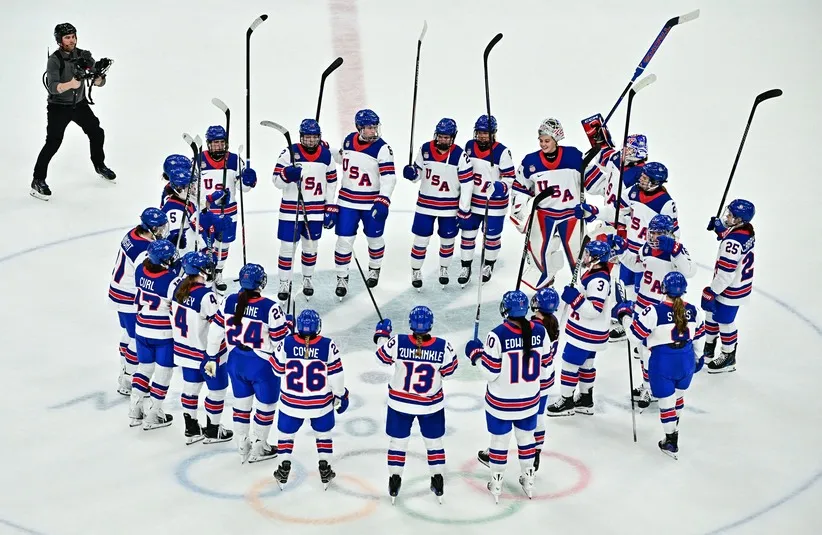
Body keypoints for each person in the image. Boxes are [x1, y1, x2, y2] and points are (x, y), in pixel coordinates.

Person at [465, 290, 552, 502]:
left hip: (501, 403)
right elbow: (546, 370)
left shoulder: (497, 334)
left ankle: (496, 483)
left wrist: (475, 355)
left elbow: (489, 372)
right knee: (526, 439)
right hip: (530, 402)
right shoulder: (540, 331)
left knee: (499, 442)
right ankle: (528, 480)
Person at [612, 271, 705, 459]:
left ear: (663, 288)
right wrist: (699, 357)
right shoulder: (694, 310)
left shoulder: (653, 311)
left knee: (666, 403)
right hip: (686, 359)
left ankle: (671, 439)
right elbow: (700, 338)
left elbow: (634, 335)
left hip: (663, 361)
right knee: (679, 397)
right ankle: (674, 427)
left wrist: (624, 315)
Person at [372, 306, 459, 503]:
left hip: (400, 404)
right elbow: (449, 371)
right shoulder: (444, 346)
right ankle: (438, 480)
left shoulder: (398, 342)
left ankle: (394, 480)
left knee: (397, 443)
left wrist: (382, 335)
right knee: (434, 444)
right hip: (430, 406)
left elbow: (380, 358)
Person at [206, 263, 288, 463]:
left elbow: (215, 333)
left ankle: (242, 444)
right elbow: (280, 343)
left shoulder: (228, 301)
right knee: (266, 406)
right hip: (262, 364)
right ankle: (260, 445)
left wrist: (210, 357)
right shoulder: (271, 307)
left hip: (235, 360)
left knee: (241, 406)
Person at [617, 214, 695, 407]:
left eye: (658, 233)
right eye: (651, 232)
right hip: (643, 305)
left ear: (668, 234)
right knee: (643, 350)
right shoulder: (646, 248)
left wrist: (675, 251)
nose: (653, 237)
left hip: (662, 309)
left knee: (653, 352)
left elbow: (690, 271)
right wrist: (621, 252)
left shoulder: (674, 252)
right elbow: (636, 264)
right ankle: (647, 385)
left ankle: (651, 388)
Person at [32, 23, 115, 200]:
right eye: (67, 37)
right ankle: (38, 180)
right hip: (59, 107)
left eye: (73, 36)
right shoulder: (54, 60)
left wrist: (99, 77)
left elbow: (97, 82)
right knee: (53, 143)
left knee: (96, 132)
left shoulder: (83, 55)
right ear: (59, 41)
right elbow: (53, 87)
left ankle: (99, 165)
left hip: (80, 104)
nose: (72, 40)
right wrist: (71, 83)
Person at [271, 309, 349, 490]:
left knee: (285, 436)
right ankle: (325, 468)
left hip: (291, 403)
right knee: (324, 436)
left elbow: (276, 370)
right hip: (320, 404)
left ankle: (283, 467)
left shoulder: (286, 343)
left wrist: (288, 339)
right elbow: (337, 376)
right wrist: (340, 394)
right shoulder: (328, 345)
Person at [509, 118, 583, 290]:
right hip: (544, 213)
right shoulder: (530, 161)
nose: (543, 144)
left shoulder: (573, 156)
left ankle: (584, 289)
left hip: (571, 213)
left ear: (556, 139)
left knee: (578, 256)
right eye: (541, 140)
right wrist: (520, 209)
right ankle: (546, 286)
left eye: (547, 140)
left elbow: (594, 181)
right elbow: (520, 187)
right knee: (538, 254)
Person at [332, 109, 396, 298]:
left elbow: (389, 178)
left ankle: (374, 268)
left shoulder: (383, 148)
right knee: (344, 241)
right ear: (359, 128)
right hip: (347, 202)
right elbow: (343, 158)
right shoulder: (348, 140)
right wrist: (325, 149)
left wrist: (383, 200)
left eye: (375, 127)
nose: (373, 131)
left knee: (374, 239)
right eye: (369, 128)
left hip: (371, 203)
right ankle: (342, 277)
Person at [403, 119, 474, 289]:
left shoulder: (460, 155)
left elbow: (467, 184)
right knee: (420, 239)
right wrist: (412, 174)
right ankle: (416, 270)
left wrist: (464, 209)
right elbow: (417, 175)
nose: (443, 140)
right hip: (425, 205)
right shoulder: (425, 149)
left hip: (449, 208)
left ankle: (444, 268)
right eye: (440, 137)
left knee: (447, 240)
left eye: (446, 137)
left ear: (453, 138)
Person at [272, 119, 338, 300]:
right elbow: (276, 181)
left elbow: (332, 181)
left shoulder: (325, 155)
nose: (310, 141)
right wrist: (286, 175)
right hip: (290, 211)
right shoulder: (289, 153)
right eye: (307, 137)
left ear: (319, 137)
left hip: (315, 211)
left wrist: (330, 205)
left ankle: (307, 279)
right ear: (301, 137)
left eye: (314, 137)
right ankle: (284, 282)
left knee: (310, 247)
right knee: (287, 248)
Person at [171, 252, 233, 445]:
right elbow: (219, 323)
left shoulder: (178, 288)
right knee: (217, 391)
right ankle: (213, 430)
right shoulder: (206, 296)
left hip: (184, 350)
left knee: (190, 388)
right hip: (207, 355)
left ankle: (191, 428)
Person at [546, 239, 613, 416]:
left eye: (588, 254)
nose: (585, 256)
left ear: (597, 259)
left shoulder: (599, 280)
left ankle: (566, 401)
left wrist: (575, 298)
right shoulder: (594, 273)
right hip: (590, 332)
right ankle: (585, 399)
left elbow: (594, 310)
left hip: (586, 332)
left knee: (569, 363)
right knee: (586, 365)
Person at [109, 207, 168, 396]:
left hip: (119, 291)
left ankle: (124, 375)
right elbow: (149, 276)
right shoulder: (143, 250)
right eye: (159, 227)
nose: (162, 230)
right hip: (128, 296)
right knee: (135, 338)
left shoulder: (133, 233)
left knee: (128, 334)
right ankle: (128, 379)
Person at [198, 125, 258, 291]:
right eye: (215, 143)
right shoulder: (198, 160)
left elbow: (243, 188)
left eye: (221, 142)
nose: (219, 146)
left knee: (223, 245)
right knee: (206, 246)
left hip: (229, 213)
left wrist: (248, 180)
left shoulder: (233, 160)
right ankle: (204, 274)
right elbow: (193, 190)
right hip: (207, 213)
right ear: (209, 143)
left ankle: (218, 272)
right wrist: (207, 200)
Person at [458, 115, 516, 285]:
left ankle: (489, 264)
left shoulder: (502, 152)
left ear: (494, 133)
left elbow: (510, 178)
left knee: (491, 236)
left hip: (494, 204)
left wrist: (498, 187)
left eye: (486, 133)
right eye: (480, 132)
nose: (482, 136)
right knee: (467, 234)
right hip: (472, 201)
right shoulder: (469, 146)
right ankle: (465, 265)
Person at [130, 239, 180, 430]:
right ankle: (153, 413)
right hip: (163, 333)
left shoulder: (139, 270)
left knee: (144, 368)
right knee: (163, 373)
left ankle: (134, 409)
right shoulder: (171, 281)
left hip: (142, 329)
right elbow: (179, 296)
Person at [701, 199, 756, 373]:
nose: (727, 216)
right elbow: (733, 237)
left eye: (731, 215)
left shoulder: (732, 243)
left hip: (730, 289)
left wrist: (712, 291)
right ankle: (709, 347)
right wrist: (721, 230)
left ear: (740, 220)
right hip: (737, 285)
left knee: (725, 321)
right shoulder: (746, 232)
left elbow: (726, 274)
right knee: (711, 314)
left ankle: (728, 355)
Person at [528, 287, 560, 471]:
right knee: (539, 416)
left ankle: (498, 450)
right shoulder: (553, 322)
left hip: (531, 378)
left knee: (518, 415)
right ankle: (537, 451)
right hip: (547, 377)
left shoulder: (535, 327)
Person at [160, 159, 198, 254]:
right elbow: (178, 244)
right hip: (184, 256)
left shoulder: (181, 197)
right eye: (191, 185)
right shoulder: (176, 210)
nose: (194, 188)